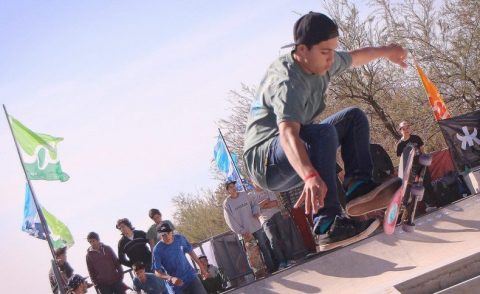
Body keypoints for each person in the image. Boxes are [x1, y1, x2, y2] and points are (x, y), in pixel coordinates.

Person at [243, 12, 407, 250]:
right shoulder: (288, 81)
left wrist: (388, 51)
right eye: (324, 52)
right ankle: (326, 224)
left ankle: (359, 188)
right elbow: (288, 135)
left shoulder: (321, 60)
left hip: (290, 148)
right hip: (266, 161)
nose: (331, 59)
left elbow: (356, 57)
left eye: (332, 51)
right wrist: (309, 175)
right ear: (301, 50)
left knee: (354, 117)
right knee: (323, 133)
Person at [222, 180, 276, 273]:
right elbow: (229, 221)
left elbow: (255, 203)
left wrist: (256, 211)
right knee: (252, 254)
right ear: (227, 190)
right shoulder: (227, 203)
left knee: (264, 247)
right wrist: (241, 231)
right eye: (230, 187)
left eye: (233, 186)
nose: (233, 188)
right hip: (245, 233)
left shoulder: (244, 194)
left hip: (256, 227)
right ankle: (260, 273)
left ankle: (272, 268)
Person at [152, 222, 208, 294]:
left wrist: (202, 268)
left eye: (169, 233)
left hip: (190, 277)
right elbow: (157, 272)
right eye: (164, 235)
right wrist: (170, 278)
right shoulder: (157, 250)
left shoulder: (180, 238)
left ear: (172, 232)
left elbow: (191, 252)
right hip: (175, 285)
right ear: (160, 236)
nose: (167, 237)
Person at [252, 186, 295, 269]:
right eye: (253, 181)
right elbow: (254, 211)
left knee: (284, 237)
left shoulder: (268, 189)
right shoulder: (251, 196)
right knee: (272, 240)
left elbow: (275, 203)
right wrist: (265, 202)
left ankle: (290, 259)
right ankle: (282, 262)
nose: (256, 183)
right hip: (265, 220)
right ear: (251, 182)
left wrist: (260, 205)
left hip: (277, 214)